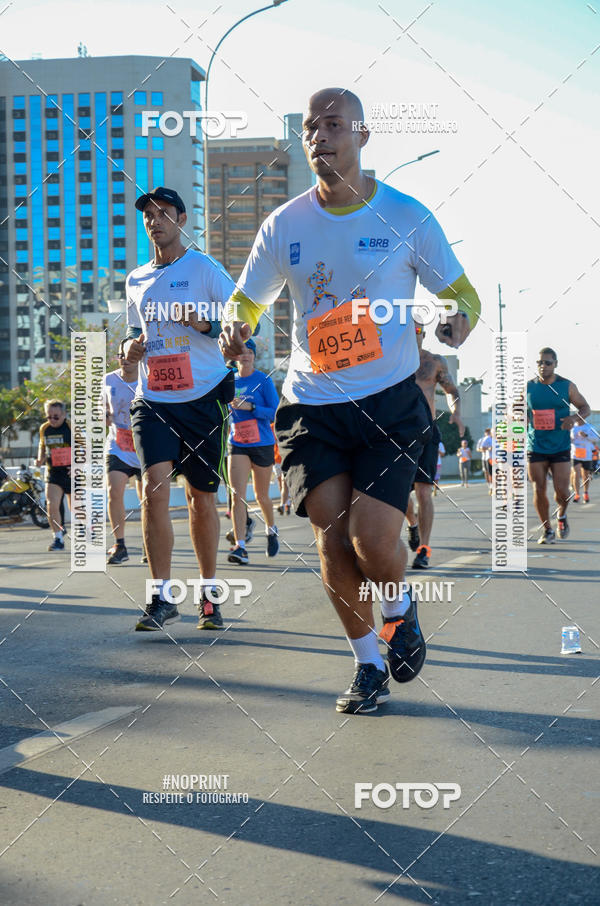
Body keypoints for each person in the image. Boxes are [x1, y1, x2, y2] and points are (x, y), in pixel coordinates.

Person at [219, 88, 481, 714]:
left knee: (371, 541)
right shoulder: (284, 225)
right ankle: (367, 665)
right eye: (311, 127)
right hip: (312, 406)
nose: (320, 136)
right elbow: (247, 299)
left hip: (388, 403)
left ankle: (399, 607)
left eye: (334, 125)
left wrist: (455, 321)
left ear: (362, 135)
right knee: (332, 541)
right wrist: (235, 326)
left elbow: (462, 295)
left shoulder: (405, 215)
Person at [124, 186, 236, 631]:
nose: (155, 221)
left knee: (200, 499)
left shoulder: (205, 268)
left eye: (164, 213)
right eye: (149, 215)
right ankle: (161, 597)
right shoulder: (136, 279)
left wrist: (204, 323)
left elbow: (242, 320)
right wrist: (128, 349)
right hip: (152, 398)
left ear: (182, 220)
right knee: (153, 489)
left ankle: (209, 595)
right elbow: (132, 331)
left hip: (202, 397)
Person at [405, 324, 464, 569]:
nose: (413, 334)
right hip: (398, 434)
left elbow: (452, 390)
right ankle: (412, 523)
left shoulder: (435, 362)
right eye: (407, 330)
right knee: (400, 493)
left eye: (417, 330)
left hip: (427, 431)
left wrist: (456, 412)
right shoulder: (390, 363)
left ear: (423, 333)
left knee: (423, 492)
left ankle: (424, 549)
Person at [527, 347, 591, 543]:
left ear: (555, 364)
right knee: (538, 488)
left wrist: (573, 418)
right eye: (539, 362)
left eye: (547, 363)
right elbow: (517, 409)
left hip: (560, 446)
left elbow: (585, 408)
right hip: (535, 445)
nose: (543, 366)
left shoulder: (566, 386)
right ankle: (547, 529)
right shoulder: (528, 387)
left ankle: (561, 515)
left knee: (562, 491)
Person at [226, 338, 280, 564]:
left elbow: (275, 412)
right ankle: (240, 547)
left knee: (261, 496)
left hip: (262, 443)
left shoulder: (263, 380)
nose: (246, 355)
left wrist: (252, 407)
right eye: (242, 352)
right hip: (237, 442)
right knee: (236, 496)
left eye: (250, 352)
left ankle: (271, 529)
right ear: (235, 356)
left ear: (254, 356)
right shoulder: (229, 380)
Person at [103, 340, 145, 565]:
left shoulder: (147, 380)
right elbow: (100, 408)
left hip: (145, 446)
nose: (125, 360)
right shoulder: (108, 380)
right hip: (118, 445)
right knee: (114, 490)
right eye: (121, 356)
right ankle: (119, 544)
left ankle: (150, 541)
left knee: (147, 499)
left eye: (129, 356)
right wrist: (103, 416)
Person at [35, 399, 71, 551]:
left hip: (71, 471)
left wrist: (78, 465)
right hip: (53, 472)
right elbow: (42, 446)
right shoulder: (45, 428)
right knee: (51, 504)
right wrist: (40, 459)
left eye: (56, 417)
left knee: (76, 506)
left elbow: (85, 447)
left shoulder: (71, 426)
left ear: (64, 414)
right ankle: (58, 538)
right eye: (49, 416)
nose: (52, 420)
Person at [571, 424, 597, 504]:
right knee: (576, 473)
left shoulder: (589, 427)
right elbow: (567, 439)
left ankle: (585, 493)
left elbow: (596, 438)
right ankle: (577, 494)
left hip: (587, 456)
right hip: (575, 455)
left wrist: (586, 435)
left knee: (585, 475)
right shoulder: (572, 427)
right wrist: (571, 438)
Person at [477, 428, 494, 495]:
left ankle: (493, 487)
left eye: (489, 432)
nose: (488, 433)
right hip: (485, 458)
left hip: (495, 458)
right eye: (487, 432)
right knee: (487, 473)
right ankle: (489, 486)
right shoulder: (482, 439)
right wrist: (488, 449)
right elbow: (479, 449)